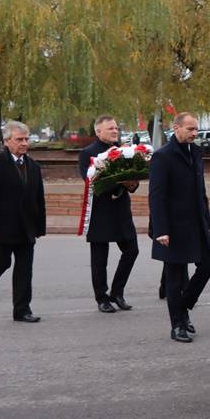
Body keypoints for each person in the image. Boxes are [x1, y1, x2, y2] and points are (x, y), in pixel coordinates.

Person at [148, 112, 210, 343]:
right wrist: (161, 230)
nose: (194, 133)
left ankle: (183, 307)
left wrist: (208, 222)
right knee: (175, 278)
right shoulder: (162, 156)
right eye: (190, 129)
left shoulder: (195, 152)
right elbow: (156, 196)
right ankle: (177, 325)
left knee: (207, 266)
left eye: (196, 129)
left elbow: (201, 191)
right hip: (173, 227)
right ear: (176, 128)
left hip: (197, 224)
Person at [0, 121, 46, 322]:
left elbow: (38, 198)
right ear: (7, 141)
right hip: (0, 228)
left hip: (26, 229)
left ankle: (22, 310)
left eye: (26, 139)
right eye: (19, 139)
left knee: (24, 271)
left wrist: (39, 227)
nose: (24, 143)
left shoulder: (33, 166)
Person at [78, 115, 139, 313]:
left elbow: (133, 180)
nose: (115, 131)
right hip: (100, 211)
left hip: (121, 210)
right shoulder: (88, 153)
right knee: (99, 259)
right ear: (98, 132)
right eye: (110, 128)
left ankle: (117, 292)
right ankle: (102, 298)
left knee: (132, 251)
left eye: (116, 128)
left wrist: (132, 182)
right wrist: (118, 180)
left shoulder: (124, 151)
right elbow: (91, 182)